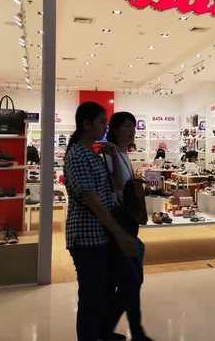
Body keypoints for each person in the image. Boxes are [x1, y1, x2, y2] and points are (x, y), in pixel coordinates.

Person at [64, 102, 141, 341]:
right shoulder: (77, 155)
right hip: (87, 236)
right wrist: (119, 234)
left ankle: (103, 331)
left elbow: (117, 186)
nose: (105, 127)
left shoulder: (95, 155)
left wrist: (114, 156)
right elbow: (93, 201)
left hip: (103, 235)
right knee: (91, 297)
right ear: (86, 124)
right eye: (101, 122)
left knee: (125, 283)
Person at [105, 111, 153, 341]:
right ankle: (115, 329)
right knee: (132, 281)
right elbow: (112, 188)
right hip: (119, 225)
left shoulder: (124, 154)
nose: (132, 130)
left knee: (131, 281)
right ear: (114, 129)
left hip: (128, 222)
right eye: (126, 126)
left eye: (133, 126)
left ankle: (133, 330)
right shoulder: (110, 155)